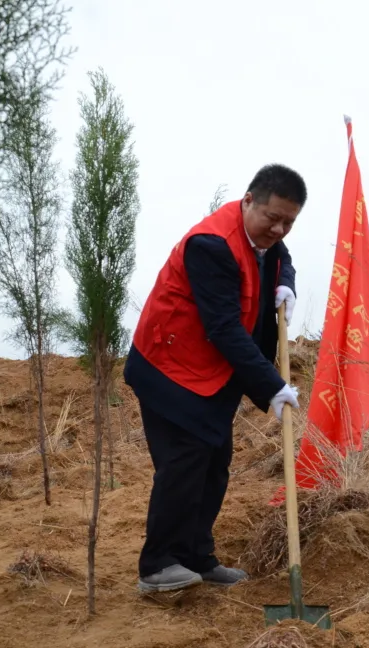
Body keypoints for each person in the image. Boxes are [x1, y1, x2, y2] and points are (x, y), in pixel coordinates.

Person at [125, 164, 305, 593]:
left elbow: (281, 260)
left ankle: (196, 558)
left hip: (210, 370)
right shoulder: (211, 246)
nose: (279, 229)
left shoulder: (266, 241)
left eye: (289, 222)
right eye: (272, 218)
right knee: (184, 462)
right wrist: (272, 385)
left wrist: (287, 285)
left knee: (214, 464)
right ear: (248, 202)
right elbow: (223, 327)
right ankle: (158, 565)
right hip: (169, 367)